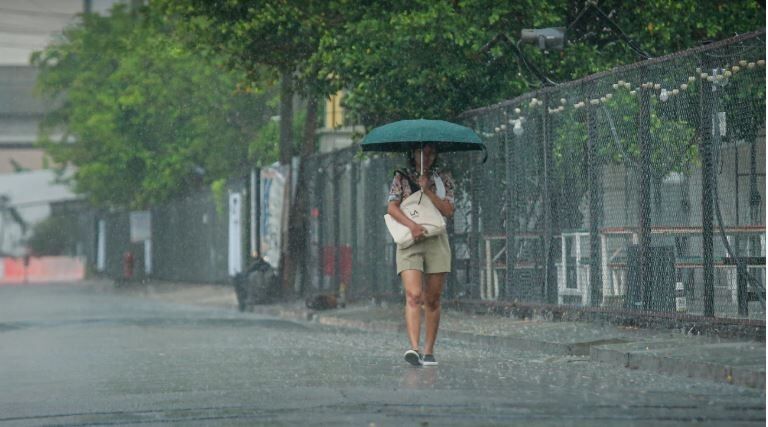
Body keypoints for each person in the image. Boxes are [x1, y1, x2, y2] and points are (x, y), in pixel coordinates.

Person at [386, 143, 455, 366]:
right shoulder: (401, 177)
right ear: (413, 154)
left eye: (431, 152)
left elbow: (448, 211)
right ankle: (413, 348)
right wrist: (412, 225)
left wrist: (428, 191)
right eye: (421, 152)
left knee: (432, 299)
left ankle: (428, 351)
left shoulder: (443, 178)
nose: (427, 156)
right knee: (414, 294)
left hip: (435, 238)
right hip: (410, 239)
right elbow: (392, 207)